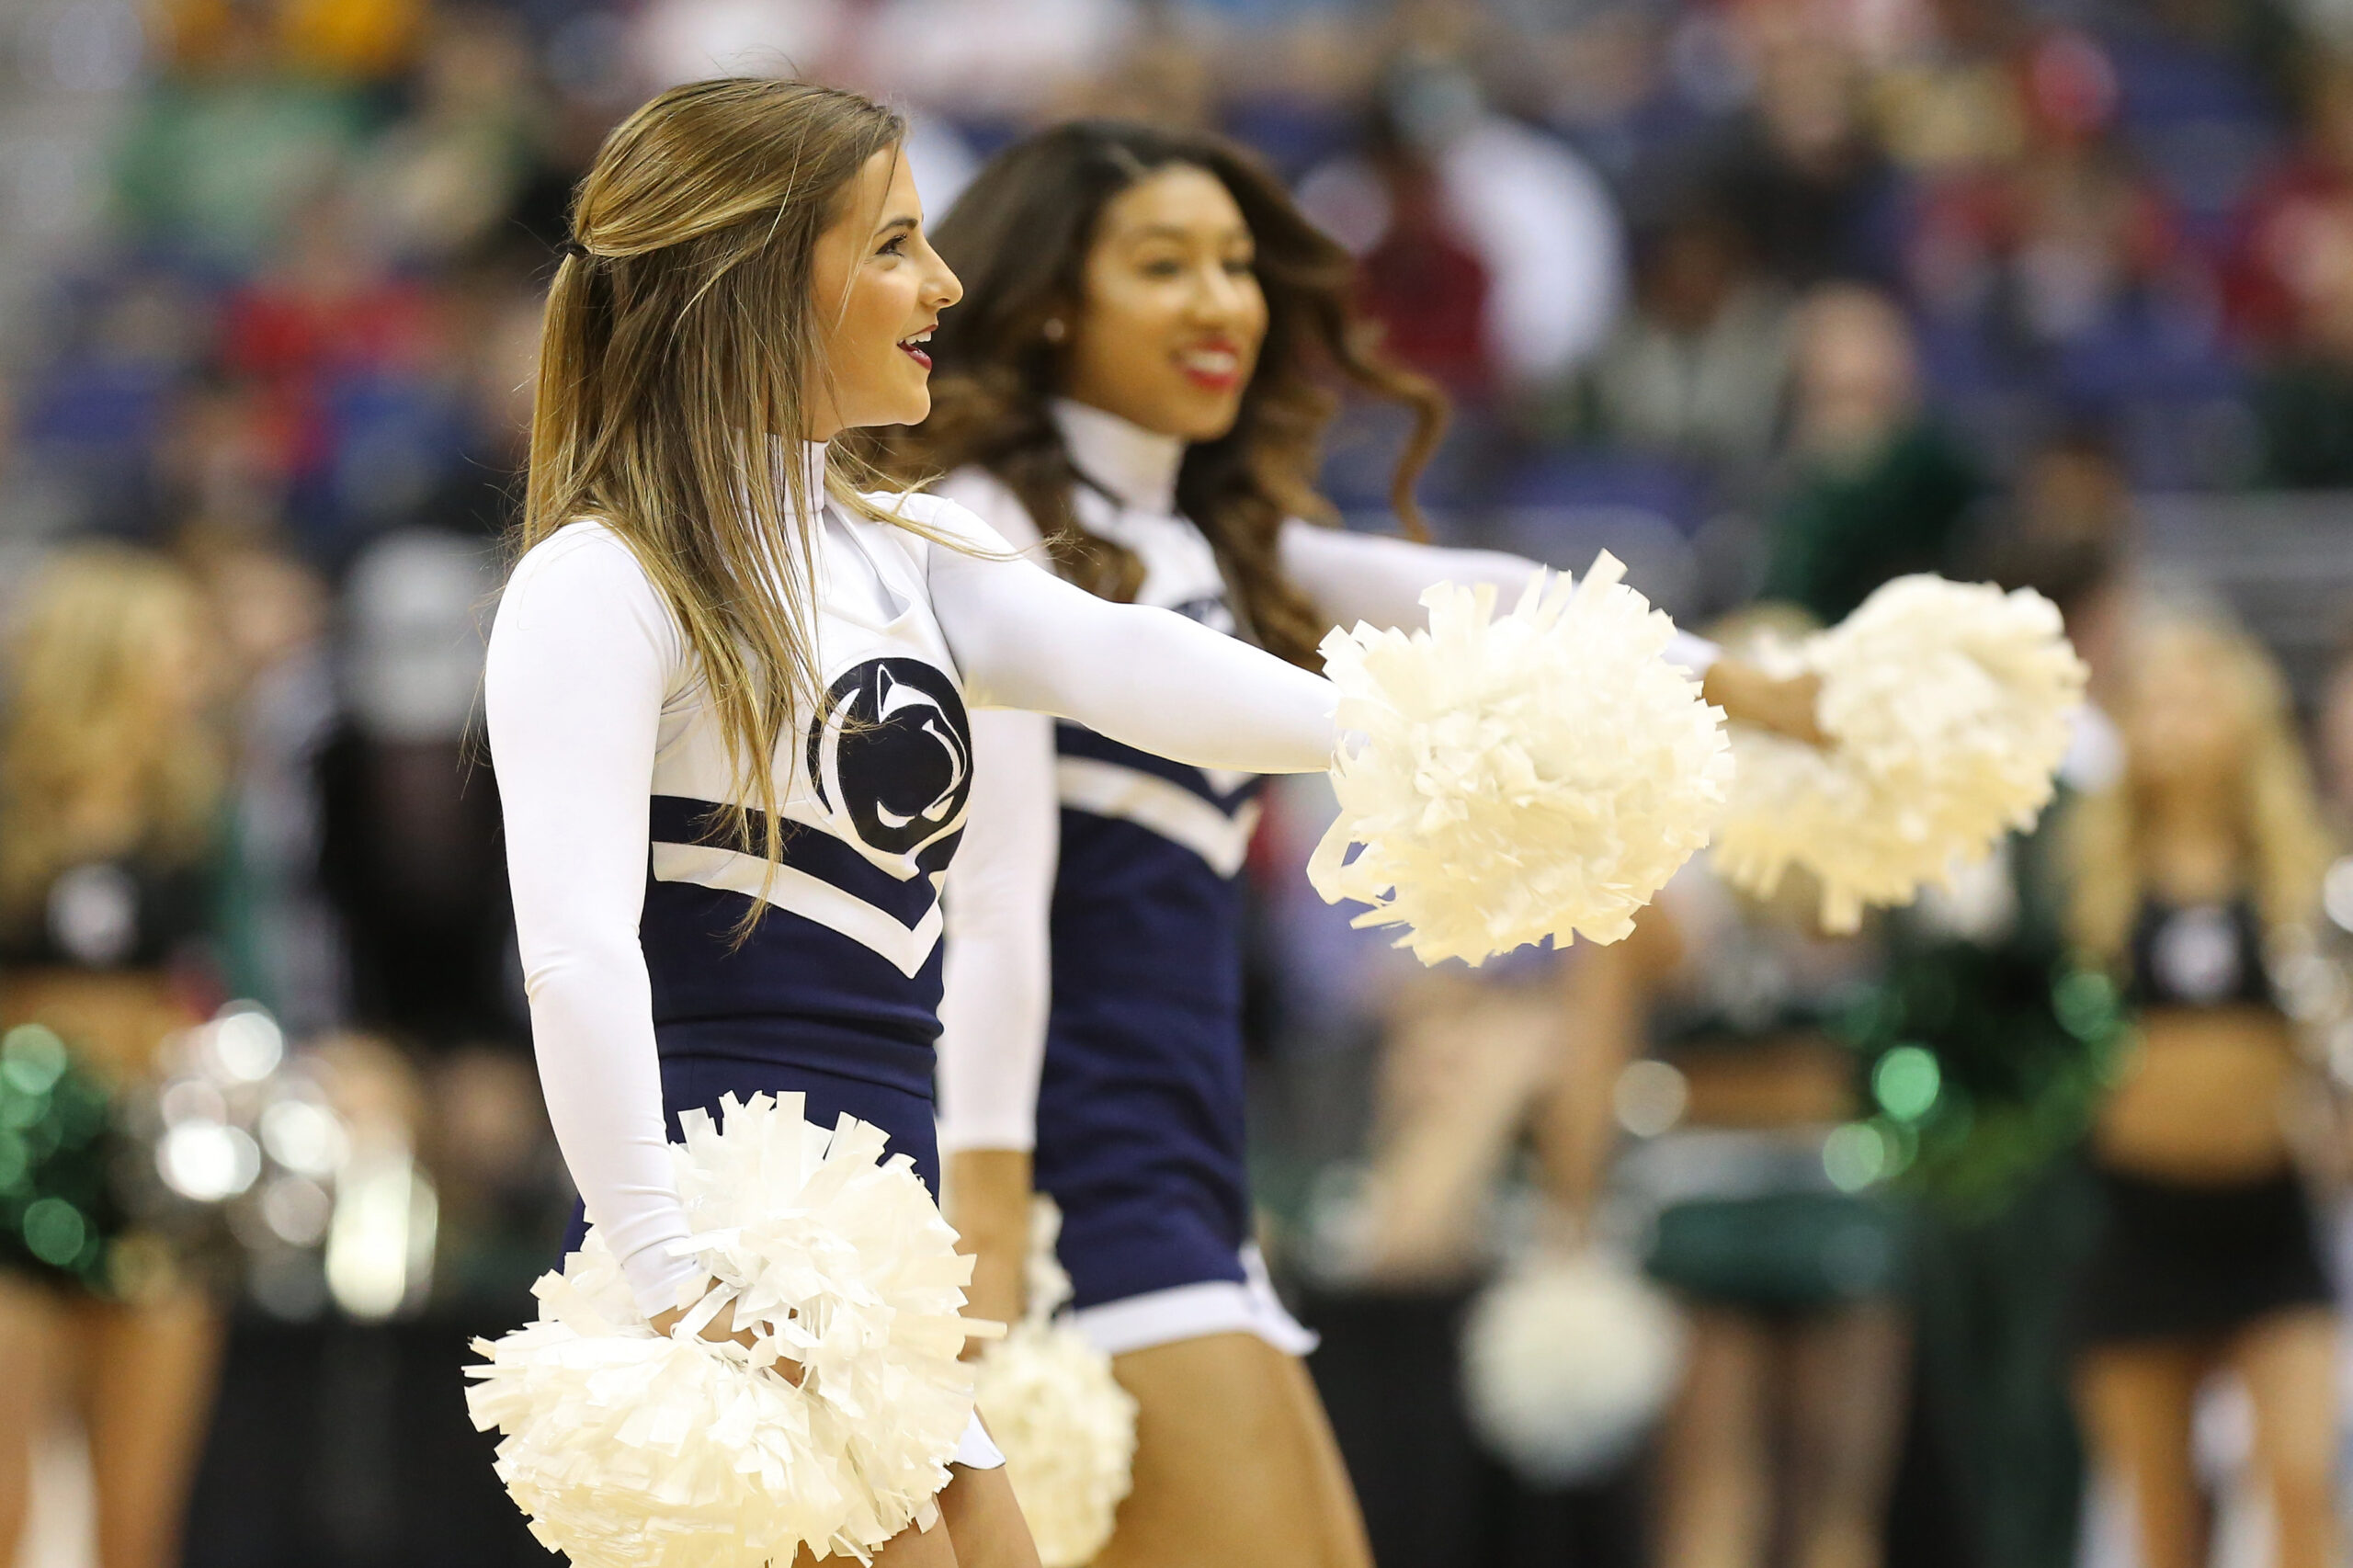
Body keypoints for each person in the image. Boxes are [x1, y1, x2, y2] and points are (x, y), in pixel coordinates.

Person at [480, 78, 1490, 1568]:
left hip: (880, 1262)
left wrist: (1427, 725)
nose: (943, 284)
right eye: (894, 244)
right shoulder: (602, 582)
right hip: (723, 1256)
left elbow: (1138, 667)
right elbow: (575, 956)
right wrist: (666, 1272)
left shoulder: (913, 552)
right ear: (763, 276)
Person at [886, 119, 1823, 1568]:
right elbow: (995, 901)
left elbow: (1481, 595)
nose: (1221, 301)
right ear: (1053, 299)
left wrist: (1755, 687)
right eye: (1163, 265)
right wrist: (995, 1219)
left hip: (1190, 1167)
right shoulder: (988, 525)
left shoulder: (1216, 542)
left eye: (1237, 264)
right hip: (1079, 1179)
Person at [2067, 611, 2342, 1568]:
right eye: (2154, 701)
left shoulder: (2300, 873)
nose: (2175, 722)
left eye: (2197, 698)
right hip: (2137, 1222)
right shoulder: (2091, 882)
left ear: (2244, 716)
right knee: (2164, 1522)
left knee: (2300, 1484)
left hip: (2270, 1222)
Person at [0, 545, 230, 1568]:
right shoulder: (12, 808)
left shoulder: (203, 816)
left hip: (150, 1168)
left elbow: (251, 983)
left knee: (137, 1523)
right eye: (177, 649)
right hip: (13, 1167)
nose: (198, 674)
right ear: (106, 658)